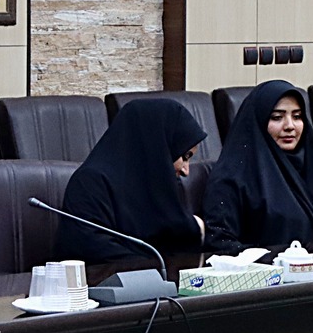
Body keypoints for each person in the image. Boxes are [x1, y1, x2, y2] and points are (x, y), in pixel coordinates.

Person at [202, 80, 313, 254]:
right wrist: (274, 259)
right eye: (277, 117)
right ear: (258, 122)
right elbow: (221, 243)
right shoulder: (232, 177)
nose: (289, 126)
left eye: (297, 116)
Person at [53, 96, 206, 263]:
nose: (186, 171)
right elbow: (91, 250)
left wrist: (195, 229)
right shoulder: (90, 183)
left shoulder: (160, 185)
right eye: (185, 157)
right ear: (156, 146)